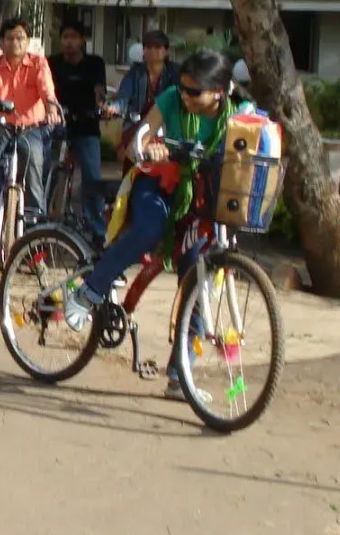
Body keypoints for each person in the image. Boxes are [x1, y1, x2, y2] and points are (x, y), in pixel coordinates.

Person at [62, 49, 236, 401]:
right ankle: (89, 291)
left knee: (197, 278)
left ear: (219, 91)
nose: (185, 96)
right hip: (156, 183)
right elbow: (141, 135)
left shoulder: (236, 115)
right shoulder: (171, 99)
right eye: (183, 88)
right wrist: (149, 147)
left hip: (199, 198)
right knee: (148, 230)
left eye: (194, 91)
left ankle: (180, 376)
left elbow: (257, 136)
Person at [0, 17, 62, 226]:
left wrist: (51, 110)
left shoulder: (39, 63)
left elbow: (47, 89)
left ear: (28, 41)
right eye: (10, 38)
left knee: (34, 160)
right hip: (2, 125)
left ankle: (36, 220)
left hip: (31, 128)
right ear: (1, 42)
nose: (15, 43)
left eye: (20, 38)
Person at [48, 20, 108, 241]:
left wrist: (102, 106)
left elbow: (99, 90)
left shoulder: (95, 63)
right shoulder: (51, 63)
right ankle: (40, 220)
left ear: (83, 40)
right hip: (56, 125)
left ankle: (97, 228)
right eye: (65, 37)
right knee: (44, 170)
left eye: (73, 37)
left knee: (92, 177)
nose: (69, 42)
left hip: (86, 125)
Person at [107, 29, 180, 170]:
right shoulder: (135, 72)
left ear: (167, 51)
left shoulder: (176, 72)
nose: (152, 50)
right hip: (136, 128)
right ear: (143, 51)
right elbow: (123, 97)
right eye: (148, 47)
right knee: (132, 172)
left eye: (157, 47)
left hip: (167, 130)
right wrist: (113, 107)